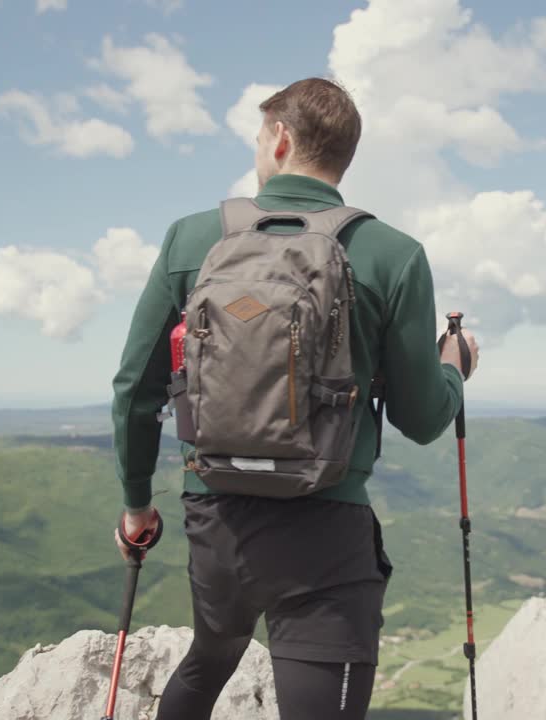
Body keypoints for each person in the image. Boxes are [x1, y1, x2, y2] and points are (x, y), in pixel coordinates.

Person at [109, 76, 481, 719]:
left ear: (280, 139)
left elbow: (134, 391)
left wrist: (138, 506)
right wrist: (454, 368)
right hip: (326, 528)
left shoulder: (192, 241)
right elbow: (422, 419)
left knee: (209, 659)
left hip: (217, 518)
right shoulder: (393, 255)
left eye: (259, 136)